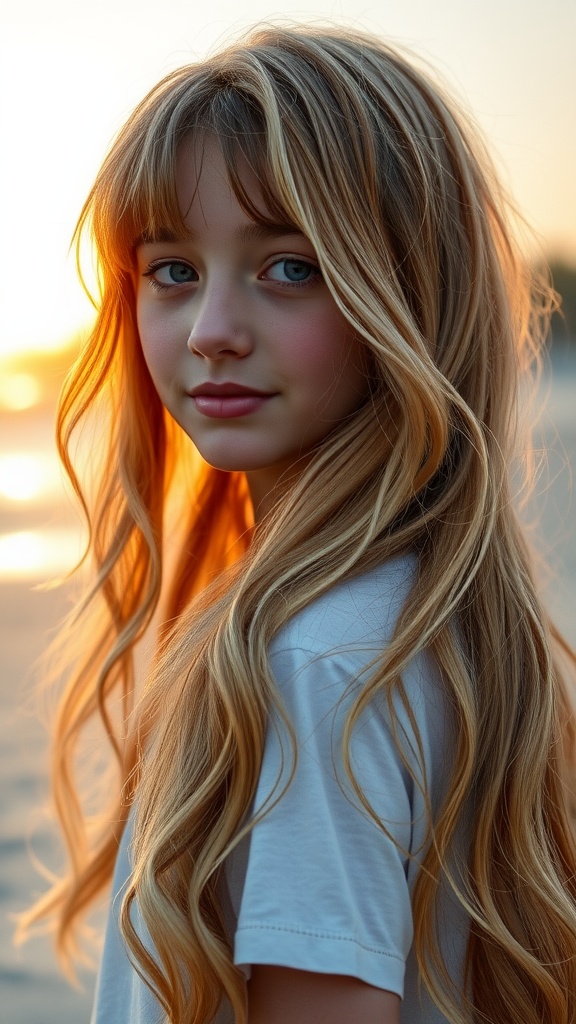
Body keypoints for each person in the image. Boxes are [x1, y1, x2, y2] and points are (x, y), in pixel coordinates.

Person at [18, 23, 576, 1024]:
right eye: (173, 271)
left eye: (290, 268)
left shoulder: (313, 665)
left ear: (410, 291)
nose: (212, 329)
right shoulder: (417, 620)